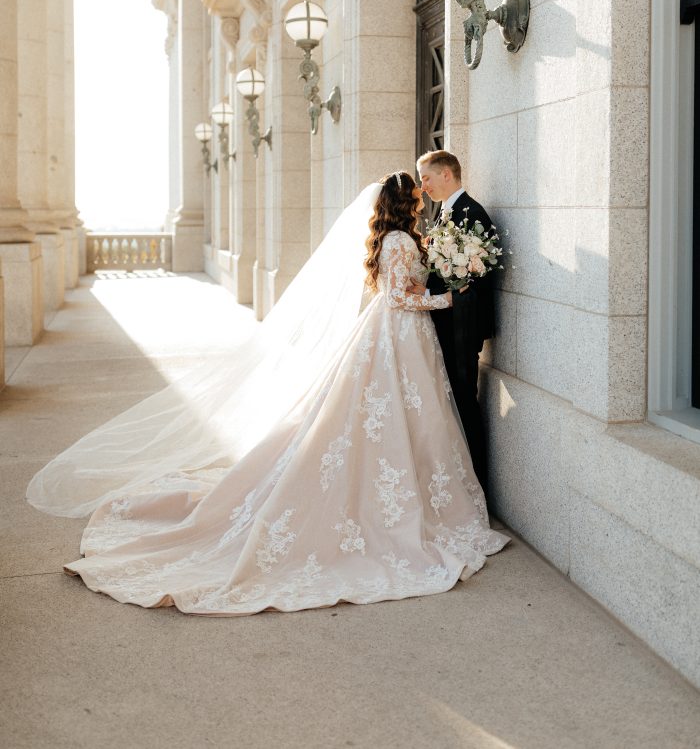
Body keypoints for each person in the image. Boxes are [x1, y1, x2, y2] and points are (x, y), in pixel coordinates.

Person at [27, 172, 508, 615]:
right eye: (416, 194)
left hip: (392, 335)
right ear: (405, 203)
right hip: (401, 332)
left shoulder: (390, 238)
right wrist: (449, 297)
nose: (421, 197)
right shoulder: (402, 240)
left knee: (384, 419)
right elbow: (402, 296)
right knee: (403, 417)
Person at [415, 151, 495, 495]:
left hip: (462, 327)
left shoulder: (471, 213)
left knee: (464, 399)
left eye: (427, 178)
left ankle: (477, 488)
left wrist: (449, 292)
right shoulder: (445, 211)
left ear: (447, 174)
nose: (423, 186)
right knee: (452, 401)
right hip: (445, 323)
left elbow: (475, 277)